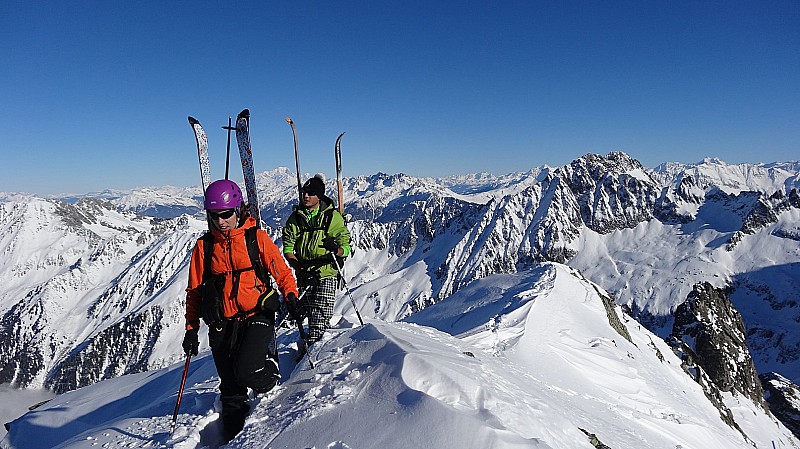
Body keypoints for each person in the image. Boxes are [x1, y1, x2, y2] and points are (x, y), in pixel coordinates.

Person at [181, 179, 300, 443]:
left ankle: (268, 379)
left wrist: (290, 295)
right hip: (222, 322)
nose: (220, 221)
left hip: (257, 314)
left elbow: (280, 270)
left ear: (238, 210)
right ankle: (232, 439)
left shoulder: (255, 238)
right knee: (231, 390)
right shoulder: (204, 247)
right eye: (214, 215)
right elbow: (195, 292)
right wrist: (191, 329)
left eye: (226, 214)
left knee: (246, 369)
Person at [282, 174, 351, 351]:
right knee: (301, 313)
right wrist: (299, 268)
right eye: (304, 192)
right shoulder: (296, 219)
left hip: (326, 271)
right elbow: (288, 249)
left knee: (319, 316)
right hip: (305, 272)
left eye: (310, 193)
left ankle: (313, 356)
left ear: (319, 196)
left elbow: (346, 246)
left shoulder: (332, 217)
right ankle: (308, 349)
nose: (305, 195)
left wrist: (336, 249)